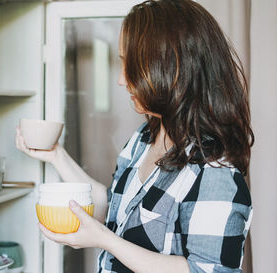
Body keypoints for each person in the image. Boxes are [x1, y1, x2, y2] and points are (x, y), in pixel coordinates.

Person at [15, 0, 254, 272]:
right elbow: (118, 207)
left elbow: (207, 270)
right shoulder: (144, 138)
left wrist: (105, 240)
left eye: (130, 65)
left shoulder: (214, 170)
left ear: (172, 68)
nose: (120, 80)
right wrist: (56, 155)